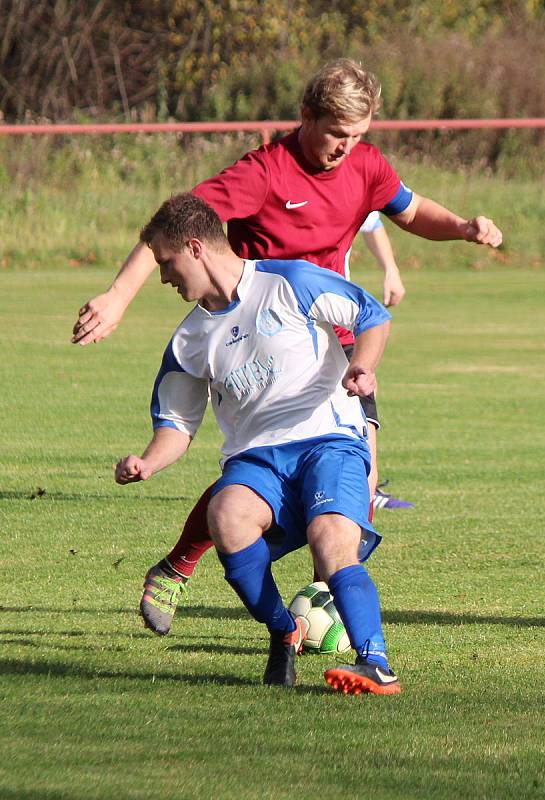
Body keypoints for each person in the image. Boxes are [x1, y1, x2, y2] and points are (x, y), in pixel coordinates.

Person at [72, 58, 502, 636]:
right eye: (335, 134)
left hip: (340, 339)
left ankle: (321, 605)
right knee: (261, 465)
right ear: (305, 117)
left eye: (357, 136)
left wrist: (463, 227)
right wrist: (119, 296)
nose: (345, 148)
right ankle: (184, 563)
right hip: (262, 336)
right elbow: (174, 226)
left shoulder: (366, 165)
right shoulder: (265, 173)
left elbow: (412, 210)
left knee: (360, 483)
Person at [116, 192, 400, 694]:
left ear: (196, 247)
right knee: (225, 516)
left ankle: (374, 661)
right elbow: (177, 425)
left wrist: (363, 365)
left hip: (329, 439)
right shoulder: (189, 341)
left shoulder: (289, 281)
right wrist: (148, 462)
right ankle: (282, 631)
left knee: (333, 539)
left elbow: (371, 315)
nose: (163, 277)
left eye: (166, 262)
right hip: (256, 459)